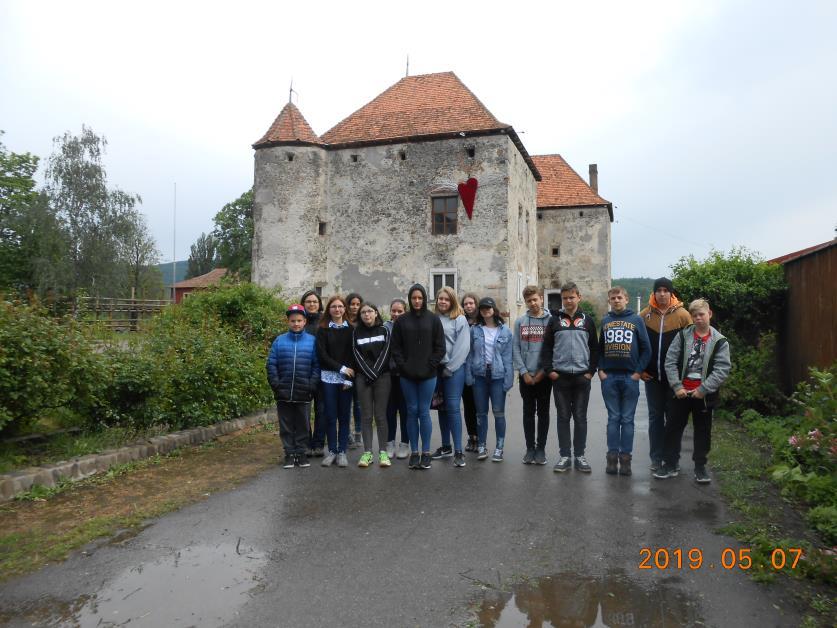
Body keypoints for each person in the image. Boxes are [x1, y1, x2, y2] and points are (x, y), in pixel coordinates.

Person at [654, 299, 731, 483]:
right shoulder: (682, 336)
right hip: (680, 393)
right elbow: (670, 361)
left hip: (704, 396)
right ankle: (670, 464)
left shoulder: (720, 341)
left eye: (701, 315)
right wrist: (677, 386)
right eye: (694, 315)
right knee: (672, 428)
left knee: (703, 431)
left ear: (709, 314)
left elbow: (722, 368)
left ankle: (700, 467)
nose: (698, 319)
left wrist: (704, 389)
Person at [540, 282, 598, 473]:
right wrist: (550, 371)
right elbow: (546, 348)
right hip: (560, 378)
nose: (568, 301)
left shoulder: (587, 320)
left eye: (571, 297)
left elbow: (595, 348)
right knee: (563, 417)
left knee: (580, 418)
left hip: (582, 378)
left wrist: (591, 371)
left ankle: (580, 455)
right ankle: (565, 455)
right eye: (565, 298)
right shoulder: (554, 321)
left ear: (579, 297)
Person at [640, 277, 692, 472]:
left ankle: (672, 459)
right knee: (655, 418)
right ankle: (656, 457)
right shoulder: (644, 315)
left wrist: (685, 377)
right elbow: (638, 345)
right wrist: (641, 369)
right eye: (658, 290)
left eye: (665, 290)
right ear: (653, 293)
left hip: (675, 380)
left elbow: (691, 348)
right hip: (652, 378)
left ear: (671, 293)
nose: (662, 294)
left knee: (673, 420)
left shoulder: (683, 316)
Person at [390, 284, 445, 470]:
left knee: (423, 411)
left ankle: (426, 452)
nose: (417, 301)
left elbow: (440, 347)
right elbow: (395, 347)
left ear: (424, 298)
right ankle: (414, 452)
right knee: (411, 411)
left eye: (420, 298)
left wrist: (432, 364)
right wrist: (403, 366)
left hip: (428, 375)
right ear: (409, 299)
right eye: (414, 298)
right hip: (407, 375)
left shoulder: (434, 320)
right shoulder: (401, 321)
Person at [598, 286, 651, 477]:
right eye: (612, 298)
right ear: (609, 301)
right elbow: (600, 348)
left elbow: (646, 348)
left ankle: (625, 459)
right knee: (613, 418)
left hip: (630, 378)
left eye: (619, 297)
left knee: (627, 419)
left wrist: (638, 373)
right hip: (609, 377)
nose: (616, 300)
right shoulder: (605, 321)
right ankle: (612, 459)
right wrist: (601, 370)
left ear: (626, 299)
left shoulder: (636, 320)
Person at [266, 304, 321, 469]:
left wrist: (312, 385)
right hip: (283, 392)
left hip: (304, 391)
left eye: (299, 320)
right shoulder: (279, 340)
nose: (296, 323)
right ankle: (289, 453)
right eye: (292, 321)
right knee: (286, 424)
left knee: (303, 423)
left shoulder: (312, 341)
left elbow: (316, 366)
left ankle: (302, 452)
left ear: (305, 321)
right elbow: (271, 364)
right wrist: (276, 384)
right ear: (288, 322)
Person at [466, 297, 514, 462]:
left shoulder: (505, 331)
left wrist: (509, 379)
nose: (486, 310)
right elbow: (470, 355)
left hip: (498, 377)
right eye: (483, 308)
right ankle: (481, 446)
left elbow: (508, 357)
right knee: (481, 414)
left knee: (499, 413)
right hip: (479, 376)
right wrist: (469, 375)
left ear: (494, 310)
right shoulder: (475, 330)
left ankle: (499, 448)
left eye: (489, 308)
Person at [513, 285, 552, 466]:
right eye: (529, 301)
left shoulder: (552, 321)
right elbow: (516, 348)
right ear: (526, 302)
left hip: (544, 376)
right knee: (528, 413)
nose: (533, 303)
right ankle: (530, 448)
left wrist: (543, 372)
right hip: (526, 377)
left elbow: (553, 349)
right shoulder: (520, 322)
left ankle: (541, 449)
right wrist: (523, 372)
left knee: (543, 413)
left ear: (541, 299)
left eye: (535, 299)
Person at [431, 286, 470, 468]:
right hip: (437, 370)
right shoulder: (433, 319)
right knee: (441, 407)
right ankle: (446, 446)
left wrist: (451, 367)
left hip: (454, 370)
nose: (443, 302)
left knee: (453, 408)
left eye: (447, 299)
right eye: (441, 299)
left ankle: (458, 451)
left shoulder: (459, 319)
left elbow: (463, 347)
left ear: (452, 301)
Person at [316, 295, 355, 468]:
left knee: (344, 416)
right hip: (329, 378)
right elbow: (322, 355)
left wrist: (348, 377)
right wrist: (341, 369)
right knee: (330, 416)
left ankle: (342, 452)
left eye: (340, 306)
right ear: (329, 309)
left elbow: (354, 355)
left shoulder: (352, 330)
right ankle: (332, 451)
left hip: (347, 379)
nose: (337, 309)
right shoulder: (323, 329)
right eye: (333, 307)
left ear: (344, 309)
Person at [352, 303, 393, 468]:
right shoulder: (356, 332)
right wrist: (369, 374)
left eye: (369, 311)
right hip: (363, 378)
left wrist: (374, 373)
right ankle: (367, 452)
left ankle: (383, 452)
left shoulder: (384, 331)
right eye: (363, 312)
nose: (366, 314)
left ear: (376, 313)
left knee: (381, 416)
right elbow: (356, 355)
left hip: (382, 377)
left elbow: (386, 353)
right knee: (366, 416)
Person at [301, 289, 326, 457]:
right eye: (308, 301)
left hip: (323, 372)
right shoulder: (299, 322)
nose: (312, 304)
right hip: (304, 372)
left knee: (322, 410)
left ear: (319, 305)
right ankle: (306, 443)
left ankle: (318, 444)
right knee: (304, 410)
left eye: (315, 302)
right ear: (303, 304)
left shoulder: (325, 323)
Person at [385, 298, 410, 459]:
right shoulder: (384, 328)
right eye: (393, 311)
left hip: (405, 375)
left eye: (399, 311)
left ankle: (405, 444)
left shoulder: (410, 327)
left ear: (404, 312)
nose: (396, 314)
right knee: (389, 411)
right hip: (388, 376)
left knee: (405, 411)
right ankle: (390, 443)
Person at [461, 293, 480, 452]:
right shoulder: (461, 321)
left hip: (479, 369)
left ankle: (480, 437)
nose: (468, 306)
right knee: (468, 405)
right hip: (463, 367)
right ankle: (471, 436)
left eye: (471, 303)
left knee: (479, 406)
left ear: (476, 304)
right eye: (466, 303)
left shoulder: (482, 321)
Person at [345, 292, 365, 449]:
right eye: (352, 304)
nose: (355, 307)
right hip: (345, 368)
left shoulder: (363, 322)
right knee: (346, 403)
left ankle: (359, 433)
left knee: (358, 403)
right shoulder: (342, 321)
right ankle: (347, 434)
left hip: (360, 368)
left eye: (358, 304)